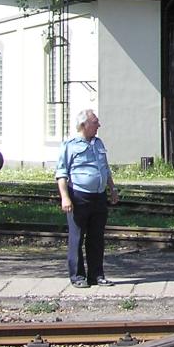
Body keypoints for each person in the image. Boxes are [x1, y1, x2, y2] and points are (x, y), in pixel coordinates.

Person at [56, 109, 119, 287]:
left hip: (99, 197)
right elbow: (61, 173)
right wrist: (65, 197)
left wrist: (112, 189)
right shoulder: (70, 145)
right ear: (84, 125)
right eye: (95, 122)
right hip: (79, 196)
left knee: (96, 237)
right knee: (77, 238)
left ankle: (96, 275)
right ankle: (77, 276)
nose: (99, 125)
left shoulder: (98, 143)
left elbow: (105, 169)